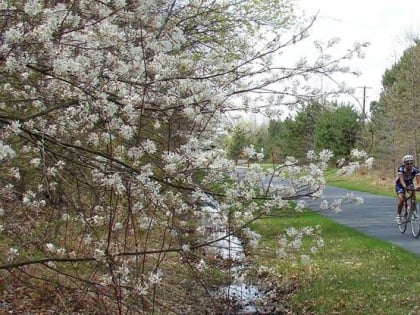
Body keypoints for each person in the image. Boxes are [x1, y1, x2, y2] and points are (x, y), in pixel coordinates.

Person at [395, 154, 420, 223]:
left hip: (409, 183)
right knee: (402, 199)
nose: (410, 165)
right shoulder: (401, 168)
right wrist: (405, 187)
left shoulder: (416, 169)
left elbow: (418, 181)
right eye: (408, 163)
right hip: (400, 184)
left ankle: (413, 209)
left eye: (411, 163)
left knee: (413, 195)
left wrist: (418, 186)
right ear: (405, 164)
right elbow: (401, 179)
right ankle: (398, 215)